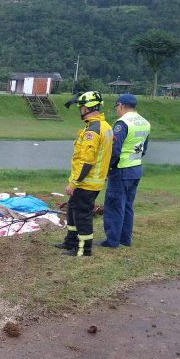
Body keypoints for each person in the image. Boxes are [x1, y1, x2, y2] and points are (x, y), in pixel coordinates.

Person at [55, 91, 114, 256]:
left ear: (87, 108)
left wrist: (73, 183)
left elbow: (87, 161)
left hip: (87, 182)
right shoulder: (105, 126)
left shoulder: (93, 130)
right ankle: (70, 242)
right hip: (92, 181)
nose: (79, 110)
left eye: (80, 107)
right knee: (73, 208)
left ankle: (83, 249)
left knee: (82, 214)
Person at [100, 93, 150, 248]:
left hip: (121, 170)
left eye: (116, 107)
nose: (116, 110)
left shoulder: (122, 123)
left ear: (121, 105)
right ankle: (125, 239)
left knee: (114, 205)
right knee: (128, 205)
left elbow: (115, 149)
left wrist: (109, 168)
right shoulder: (144, 122)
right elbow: (144, 149)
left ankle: (112, 241)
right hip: (136, 168)